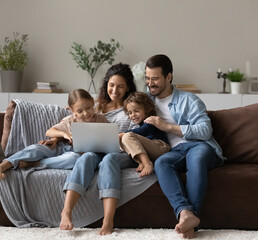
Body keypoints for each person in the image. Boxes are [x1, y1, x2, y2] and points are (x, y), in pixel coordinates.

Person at [143, 54, 225, 239]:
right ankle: (185, 214)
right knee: (162, 164)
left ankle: (191, 220)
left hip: (199, 146)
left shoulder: (189, 100)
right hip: (175, 152)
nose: (150, 83)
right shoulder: (146, 102)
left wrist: (168, 127)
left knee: (195, 159)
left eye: (155, 78)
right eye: (147, 79)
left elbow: (205, 130)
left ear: (169, 77)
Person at [60, 63, 137, 235]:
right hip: (96, 149)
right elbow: (76, 120)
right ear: (106, 84)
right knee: (86, 157)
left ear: (128, 88)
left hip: (121, 151)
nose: (115, 90)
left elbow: (136, 133)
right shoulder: (97, 107)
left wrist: (118, 136)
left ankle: (108, 220)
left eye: (120, 86)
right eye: (111, 85)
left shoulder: (132, 106)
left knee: (109, 159)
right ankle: (66, 211)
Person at [0, 89, 107, 179]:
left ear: (93, 103)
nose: (86, 113)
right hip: (62, 147)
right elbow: (49, 132)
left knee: (73, 159)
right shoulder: (71, 120)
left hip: (76, 153)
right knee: (37, 148)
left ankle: (35, 163)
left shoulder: (101, 119)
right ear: (72, 110)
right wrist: (65, 135)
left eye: (88, 108)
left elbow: (108, 137)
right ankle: (5, 164)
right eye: (80, 111)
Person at [119, 92, 170, 177]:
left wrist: (124, 133)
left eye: (136, 111)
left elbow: (142, 131)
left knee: (127, 136)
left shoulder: (151, 120)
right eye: (130, 113)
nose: (133, 115)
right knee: (122, 140)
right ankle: (141, 161)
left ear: (146, 109)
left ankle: (147, 164)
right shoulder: (141, 122)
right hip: (151, 149)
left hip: (161, 146)